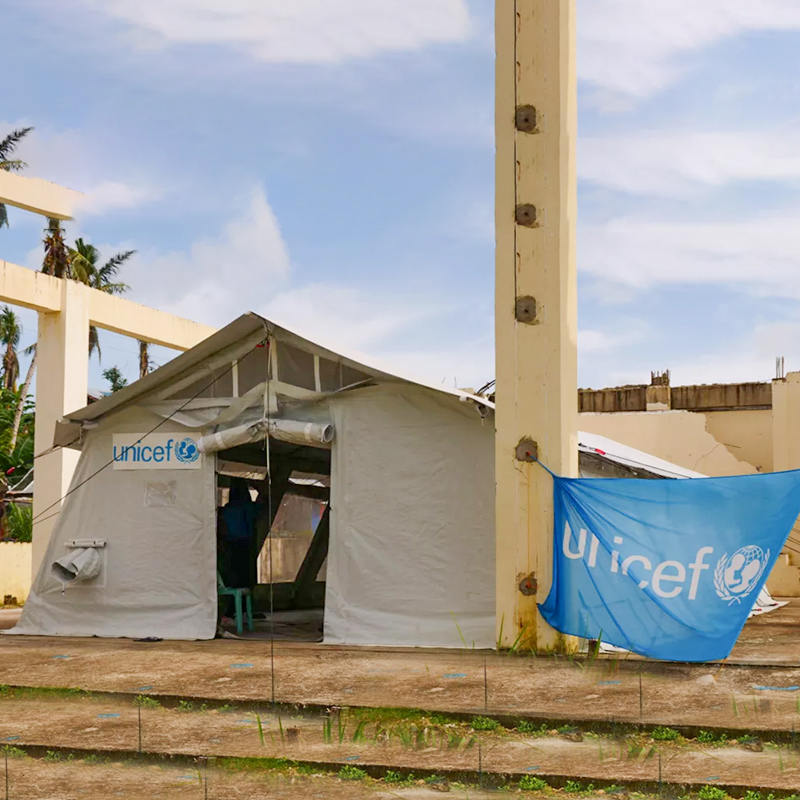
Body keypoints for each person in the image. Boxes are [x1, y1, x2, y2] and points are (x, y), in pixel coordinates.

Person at [220, 478, 260, 588]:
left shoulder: (227, 509)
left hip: (229, 545)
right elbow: (260, 508)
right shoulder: (247, 507)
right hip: (244, 544)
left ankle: (233, 603)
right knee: (245, 578)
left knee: (232, 577)